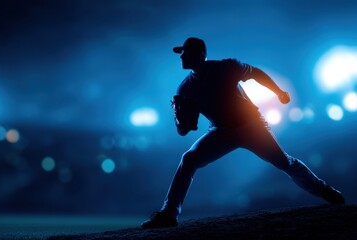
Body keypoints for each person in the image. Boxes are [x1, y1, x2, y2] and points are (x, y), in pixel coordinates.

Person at [141, 37, 345, 229]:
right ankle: (169, 214)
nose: (182, 56)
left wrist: (278, 92)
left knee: (284, 162)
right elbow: (185, 130)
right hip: (221, 132)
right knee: (189, 159)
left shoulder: (225, 67)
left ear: (200, 53)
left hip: (252, 127)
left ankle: (325, 191)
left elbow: (256, 73)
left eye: (186, 52)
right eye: (182, 53)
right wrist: (182, 122)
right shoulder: (185, 88)